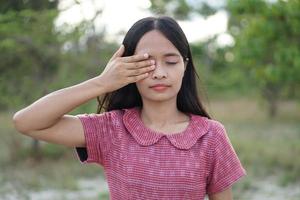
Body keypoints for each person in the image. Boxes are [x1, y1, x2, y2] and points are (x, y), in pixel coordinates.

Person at [13, 16, 246, 200]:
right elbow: (25, 122)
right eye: (146, 62)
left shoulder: (211, 135)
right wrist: (102, 82)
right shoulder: (112, 129)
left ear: (184, 66)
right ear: (127, 66)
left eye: (171, 61)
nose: (159, 72)